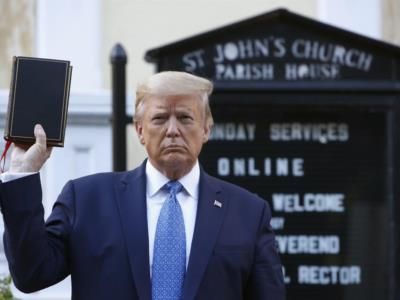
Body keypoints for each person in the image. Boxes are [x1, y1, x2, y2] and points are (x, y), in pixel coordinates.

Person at [0, 71, 285, 300]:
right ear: (139, 130)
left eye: (185, 117)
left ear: (206, 129)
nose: (173, 130)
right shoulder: (87, 200)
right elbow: (32, 274)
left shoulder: (247, 213)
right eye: (160, 118)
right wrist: (21, 175)